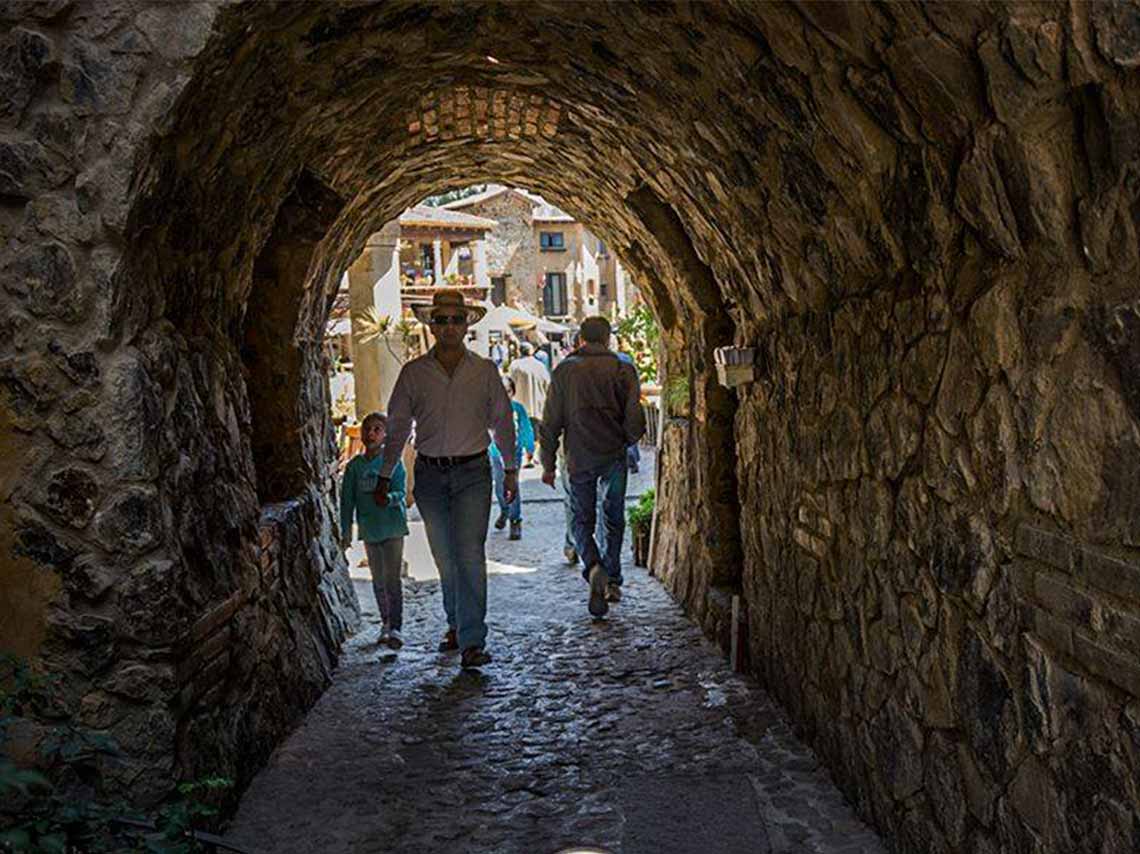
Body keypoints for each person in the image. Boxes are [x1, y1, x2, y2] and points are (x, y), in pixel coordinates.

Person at [374, 290, 517, 669]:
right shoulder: (414, 374)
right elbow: (399, 426)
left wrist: (512, 467)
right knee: (444, 557)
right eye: (442, 319)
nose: (450, 326)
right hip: (431, 475)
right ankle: (456, 623)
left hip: (473, 471)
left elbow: (502, 420)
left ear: (467, 324)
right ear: (432, 325)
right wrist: (386, 473)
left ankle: (472, 640)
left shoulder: (484, 371)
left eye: (457, 319)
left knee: (470, 554)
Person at [541, 315, 645, 617]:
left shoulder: (564, 371)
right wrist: (625, 440)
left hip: (579, 456)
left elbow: (550, 423)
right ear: (608, 338)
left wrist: (548, 462)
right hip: (613, 455)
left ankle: (594, 564)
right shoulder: (623, 368)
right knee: (613, 516)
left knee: (580, 517)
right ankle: (612, 578)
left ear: (581, 339)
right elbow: (635, 417)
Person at [340, 412, 409, 649]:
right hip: (370, 530)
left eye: (377, 429)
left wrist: (388, 498)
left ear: (385, 435)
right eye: (367, 429)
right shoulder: (354, 468)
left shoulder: (393, 463)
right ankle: (386, 623)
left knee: (392, 579)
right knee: (378, 580)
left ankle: (397, 627)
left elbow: (401, 491)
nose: (371, 434)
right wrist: (346, 531)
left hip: (393, 528)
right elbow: (347, 502)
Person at [491, 376, 534, 540]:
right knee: (499, 486)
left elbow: (525, 428)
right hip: (495, 453)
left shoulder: (518, 409)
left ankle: (515, 520)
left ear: (512, 392)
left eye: (507, 391)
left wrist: (529, 447)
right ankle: (504, 510)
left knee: (513, 486)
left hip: (514, 452)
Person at [508, 342, 550, 467]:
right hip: (537, 405)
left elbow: (510, 384)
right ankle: (531, 456)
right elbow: (547, 384)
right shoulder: (540, 366)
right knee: (535, 431)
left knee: (521, 431)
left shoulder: (515, 365)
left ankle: (526, 455)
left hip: (520, 404)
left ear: (519, 351)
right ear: (531, 351)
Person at [614, 344, 642, 474]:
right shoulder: (625, 360)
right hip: (624, 408)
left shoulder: (574, 364)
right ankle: (632, 458)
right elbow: (635, 389)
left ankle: (630, 457)